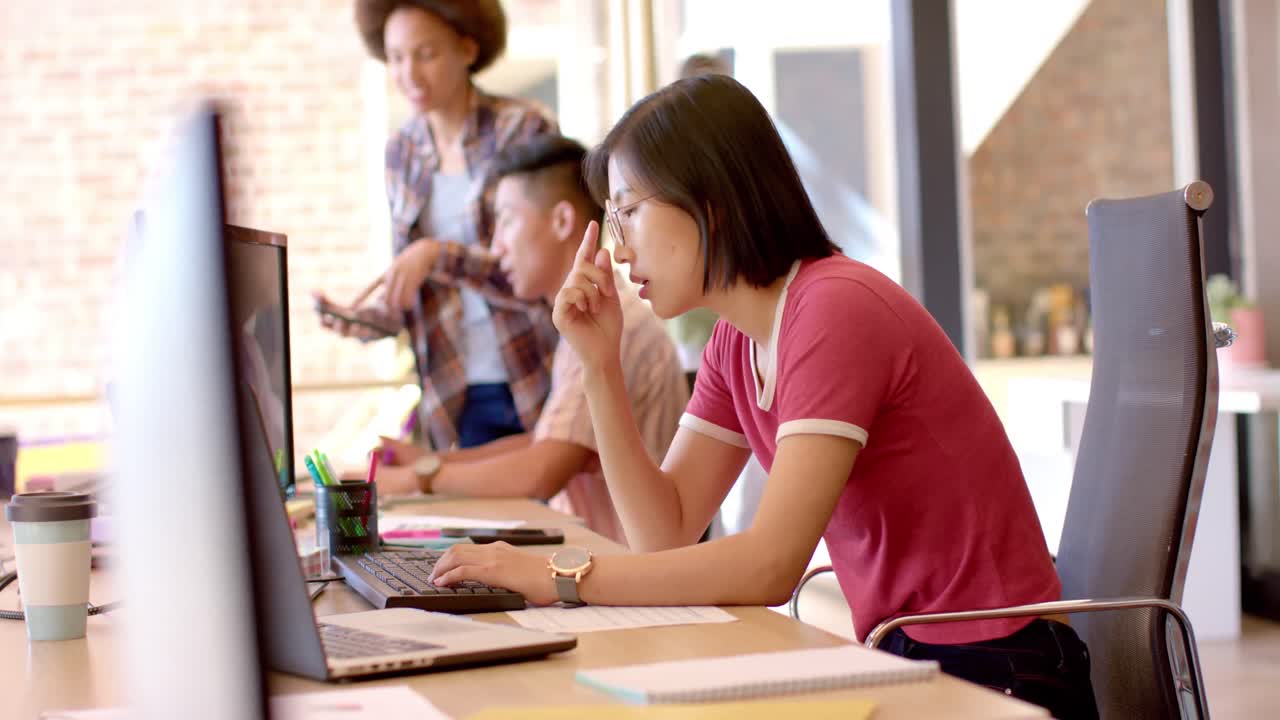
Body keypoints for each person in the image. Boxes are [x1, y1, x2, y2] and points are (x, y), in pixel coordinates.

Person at [426, 75, 1099, 719]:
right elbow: (664, 533)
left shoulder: (834, 308)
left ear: (710, 202)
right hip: (914, 653)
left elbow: (771, 564)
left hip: (1001, 669)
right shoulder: (737, 342)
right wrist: (599, 366)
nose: (617, 245)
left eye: (628, 211)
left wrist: (560, 573)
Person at [373, 136, 688, 545]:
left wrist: (413, 479)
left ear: (560, 221)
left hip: (629, 569)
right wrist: (432, 462)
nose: (495, 246)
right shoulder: (585, 316)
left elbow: (544, 469)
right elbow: (548, 440)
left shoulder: (613, 322)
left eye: (505, 220)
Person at [316, 0, 559, 450]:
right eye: (396, 57)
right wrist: (361, 319)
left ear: (467, 48)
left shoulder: (522, 130)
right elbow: (415, 291)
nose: (409, 73)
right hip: (456, 392)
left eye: (425, 54)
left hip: (537, 372)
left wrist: (434, 254)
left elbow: (540, 269)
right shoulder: (401, 153)